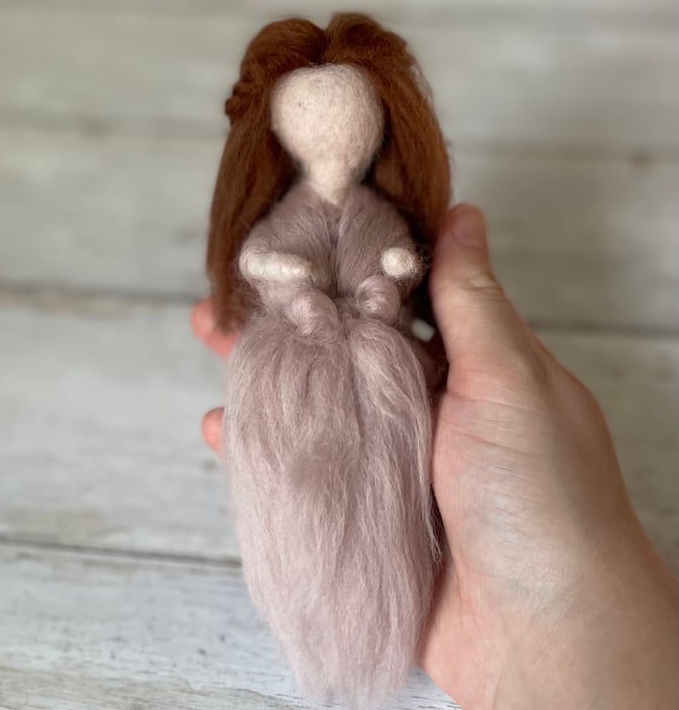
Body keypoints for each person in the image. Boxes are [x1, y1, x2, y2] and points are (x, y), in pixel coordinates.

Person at [192, 204, 678, 709]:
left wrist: (391, 276)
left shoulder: (376, 214)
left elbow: (393, 269)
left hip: (375, 360)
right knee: (302, 495)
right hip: (314, 353)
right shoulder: (288, 215)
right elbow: (258, 258)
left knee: (352, 495)